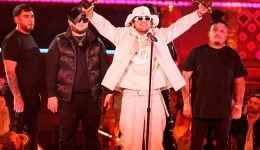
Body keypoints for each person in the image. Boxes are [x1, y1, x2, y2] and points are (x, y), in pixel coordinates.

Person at [84, 3, 208, 149]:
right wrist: (91, 15)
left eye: (147, 18)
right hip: (131, 95)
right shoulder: (122, 34)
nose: (144, 20)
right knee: (130, 140)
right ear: (133, 21)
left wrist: (198, 13)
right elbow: (105, 27)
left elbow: (179, 26)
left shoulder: (159, 35)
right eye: (140, 18)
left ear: (151, 21)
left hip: (154, 95)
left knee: (155, 140)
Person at [46, 6, 109, 150]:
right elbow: (51, 70)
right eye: (77, 19)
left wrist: (109, 92)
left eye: (85, 18)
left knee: (92, 138)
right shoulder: (58, 41)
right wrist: (51, 95)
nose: (81, 21)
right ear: (70, 22)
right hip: (68, 99)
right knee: (66, 138)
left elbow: (104, 69)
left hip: (92, 98)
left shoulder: (97, 41)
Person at [181, 19, 248, 150]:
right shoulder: (196, 52)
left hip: (223, 110)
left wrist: (239, 106)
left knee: (223, 145)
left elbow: (240, 81)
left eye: (222, 31)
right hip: (199, 108)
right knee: (196, 144)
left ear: (227, 35)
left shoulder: (233, 55)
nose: (218, 33)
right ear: (208, 33)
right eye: (215, 30)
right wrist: (186, 103)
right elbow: (185, 78)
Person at [1, 4, 41, 150]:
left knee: (33, 134)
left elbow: (31, 68)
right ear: (16, 18)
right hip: (19, 95)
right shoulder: (12, 39)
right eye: (26, 16)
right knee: (15, 136)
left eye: (32, 16)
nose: (31, 19)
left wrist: (36, 93)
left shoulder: (29, 38)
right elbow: (10, 72)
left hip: (32, 94)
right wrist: (17, 96)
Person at [142, 3, 178, 150]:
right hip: (137, 89)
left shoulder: (164, 37)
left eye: (152, 16)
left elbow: (174, 62)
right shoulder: (131, 36)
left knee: (166, 128)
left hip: (161, 90)